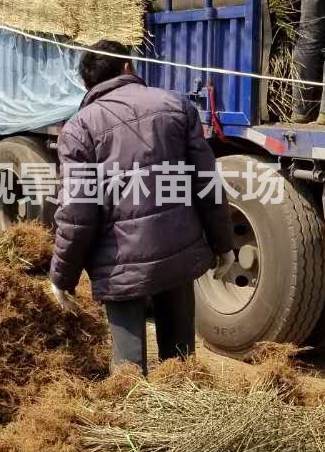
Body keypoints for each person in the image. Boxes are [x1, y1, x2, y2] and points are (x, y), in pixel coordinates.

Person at [48, 41, 236, 374]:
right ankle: (186, 419)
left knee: (130, 375)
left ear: (87, 84)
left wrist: (63, 276)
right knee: (181, 367)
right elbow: (206, 183)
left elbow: (78, 214)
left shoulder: (80, 128)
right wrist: (223, 245)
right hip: (178, 255)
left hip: (121, 267)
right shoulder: (176, 106)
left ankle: (138, 421)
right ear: (127, 67)